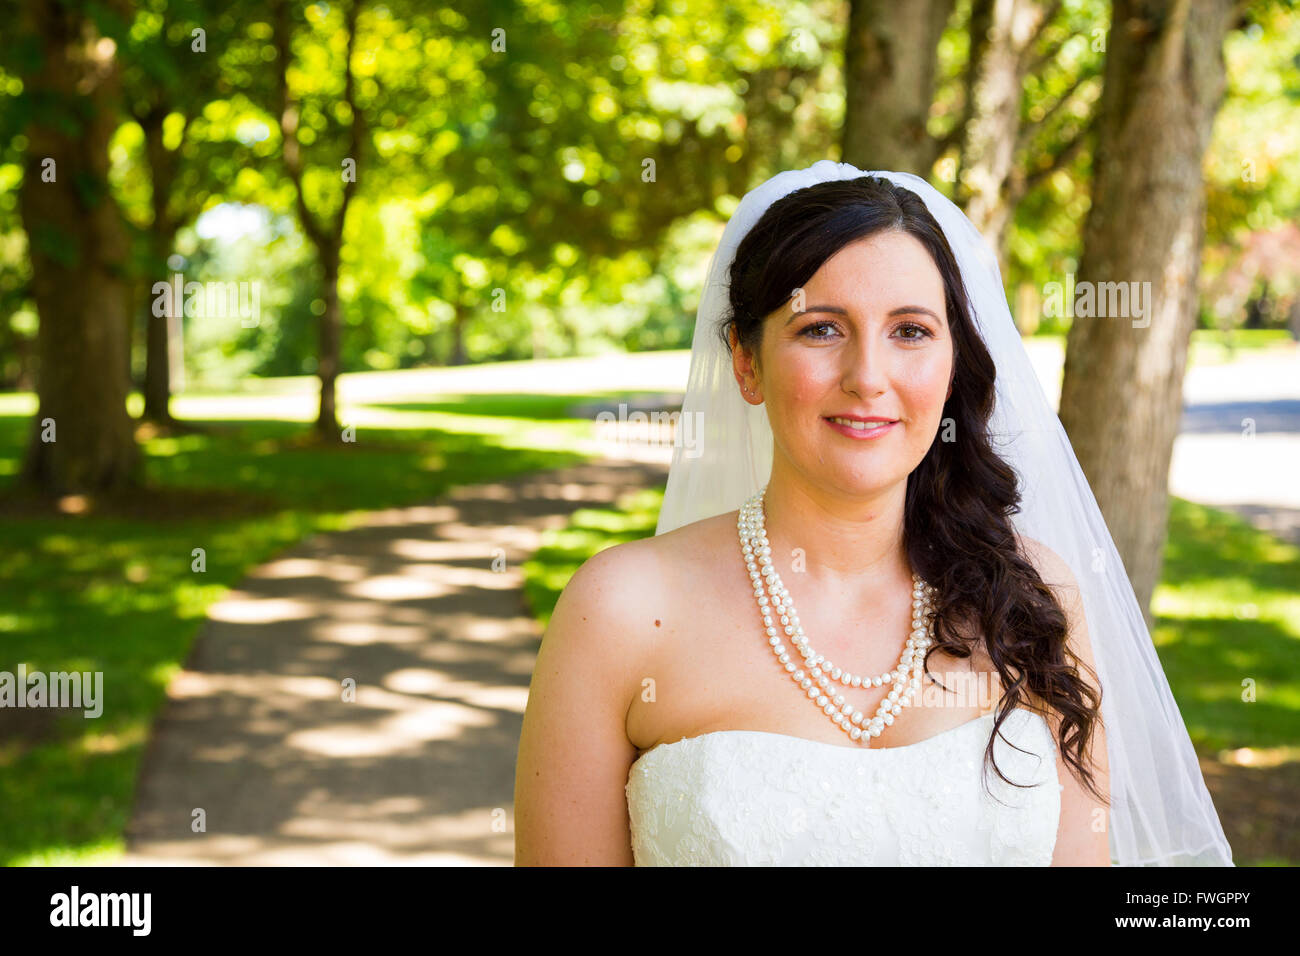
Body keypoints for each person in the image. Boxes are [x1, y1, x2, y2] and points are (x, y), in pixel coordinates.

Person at [513, 161, 1234, 866]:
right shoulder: (622, 611)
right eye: (821, 328)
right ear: (747, 362)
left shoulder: (1036, 599)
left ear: (953, 365)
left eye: (911, 331)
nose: (867, 378)